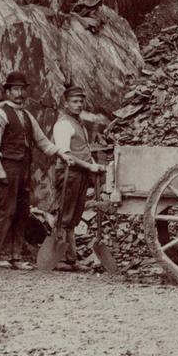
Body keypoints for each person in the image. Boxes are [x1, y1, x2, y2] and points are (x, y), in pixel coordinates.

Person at [0, 73, 49, 266]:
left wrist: (62, 154)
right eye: (16, 89)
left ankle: (16, 256)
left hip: (25, 168)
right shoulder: (0, 114)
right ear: (8, 91)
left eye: (23, 89)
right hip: (8, 167)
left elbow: (42, 141)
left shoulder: (27, 115)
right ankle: (1, 256)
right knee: (7, 210)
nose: (20, 93)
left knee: (22, 211)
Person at [38, 95, 108, 272]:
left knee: (74, 217)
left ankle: (72, 259)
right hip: (69, 173)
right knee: (64, 216)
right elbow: (66, 155)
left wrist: (94, 165)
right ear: (66, 103)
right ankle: (61, 259)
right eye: (74, 102)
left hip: (80, 173)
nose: (78, 105)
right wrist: (89, 166)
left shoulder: (79, 124)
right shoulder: (63, 125)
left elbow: (83, 150)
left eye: (80, 102)